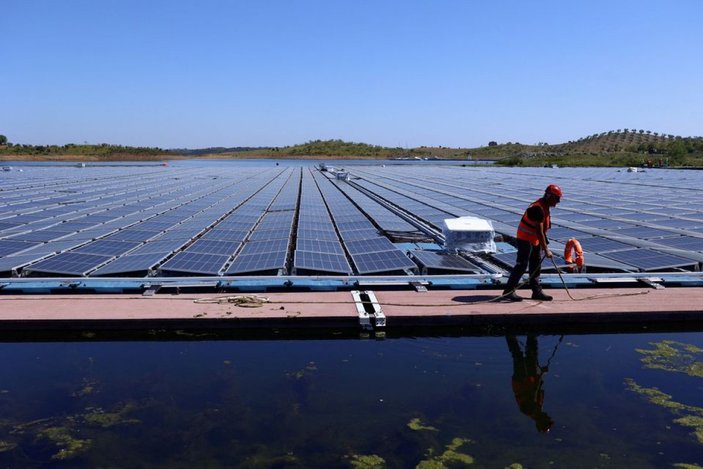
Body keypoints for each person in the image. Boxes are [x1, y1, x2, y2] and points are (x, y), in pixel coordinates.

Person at [502, 184, 562, 302]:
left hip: (534, 240)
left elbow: (542, 232)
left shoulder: (545, 207)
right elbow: (539, 231)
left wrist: (544, 245)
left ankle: (537, 292)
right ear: (549, 196)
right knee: (522, 265)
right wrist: (546, 250)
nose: (558, 202)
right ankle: (508, 291)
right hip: (525, 239)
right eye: (557, 199)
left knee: (536, 265)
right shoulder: (538, 208)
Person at [506, 334, 554, 433]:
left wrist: (541, 373)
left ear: (540, 421)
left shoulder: (528, 411)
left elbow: (533, 391)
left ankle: (510, 334)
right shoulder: (539, 408)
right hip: (531, 378)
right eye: (549, 419)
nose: (548, 416)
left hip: (521, 380)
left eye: (547, 419)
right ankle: (531, 334)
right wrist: (541, 373)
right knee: (532, 354)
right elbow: (538, 387)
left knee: (518, 355)